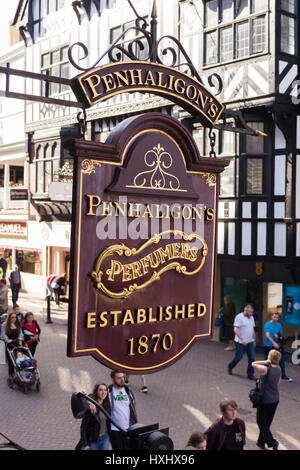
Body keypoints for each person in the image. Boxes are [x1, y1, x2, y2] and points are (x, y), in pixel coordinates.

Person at [252, 349, 282, 450]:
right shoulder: (279, 369)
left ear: (270, 357)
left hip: (265, 400)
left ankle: (272, 443)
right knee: (267, 423)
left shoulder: (265, 369)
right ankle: (260, 442)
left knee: (261, 422)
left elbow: (253, 363)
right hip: (275, 399)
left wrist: (264, 362)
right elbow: (277, 383)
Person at [107, 370, 138, 450]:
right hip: (115, 430)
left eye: (123, 377)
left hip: (128, 429)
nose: (122, 380)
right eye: (119, 378)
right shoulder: (108, 392)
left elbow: (132, 408)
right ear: (113, 379)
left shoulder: (128, 392)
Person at [77, 383, 111, 450]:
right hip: (93, 439)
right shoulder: (91, 407)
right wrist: (85, 444)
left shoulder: (107, 404)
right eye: (100, 390)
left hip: (105, 437)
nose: (103, 392)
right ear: (96, 391)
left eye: (105, 390)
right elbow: (83, 427)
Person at [228, 304, 257, 380]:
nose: (251, 314)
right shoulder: (239, 317)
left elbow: (252, 329)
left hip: (250, 342)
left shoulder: (251, 318)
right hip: (240, 342)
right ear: (245, 311)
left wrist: (254, 339)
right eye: (250, 312)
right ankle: (230, 366)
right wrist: (241, 339)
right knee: (238, 357)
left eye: (252, 312)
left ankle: (250, 374)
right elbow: (235, 329)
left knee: (252, 358)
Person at [264, 312, 292, 382]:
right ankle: (265, 375)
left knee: (281, 360)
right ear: (271, 317)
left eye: (277, 317)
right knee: (267, 361)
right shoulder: (267, 324)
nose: (276, 319)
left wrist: (278, 336)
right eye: (274, 317)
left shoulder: (279, 325)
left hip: (277, 346)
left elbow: (281, 335)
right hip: (268, 346)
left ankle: (283, 376)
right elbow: (267, 335)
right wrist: (273, 342)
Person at [0, 311, 24, 378]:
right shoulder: (4, 325)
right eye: (12, 317)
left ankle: (19, 372)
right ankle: (11, 373)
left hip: (16, 343)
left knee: (19, 357)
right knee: (11, 360)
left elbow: (21, 333)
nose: (14, 318)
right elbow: (2, 334)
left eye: (15, 317)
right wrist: (7, 339)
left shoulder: (18, 324)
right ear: (9, 318)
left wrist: (20, 337)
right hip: (9, 344)